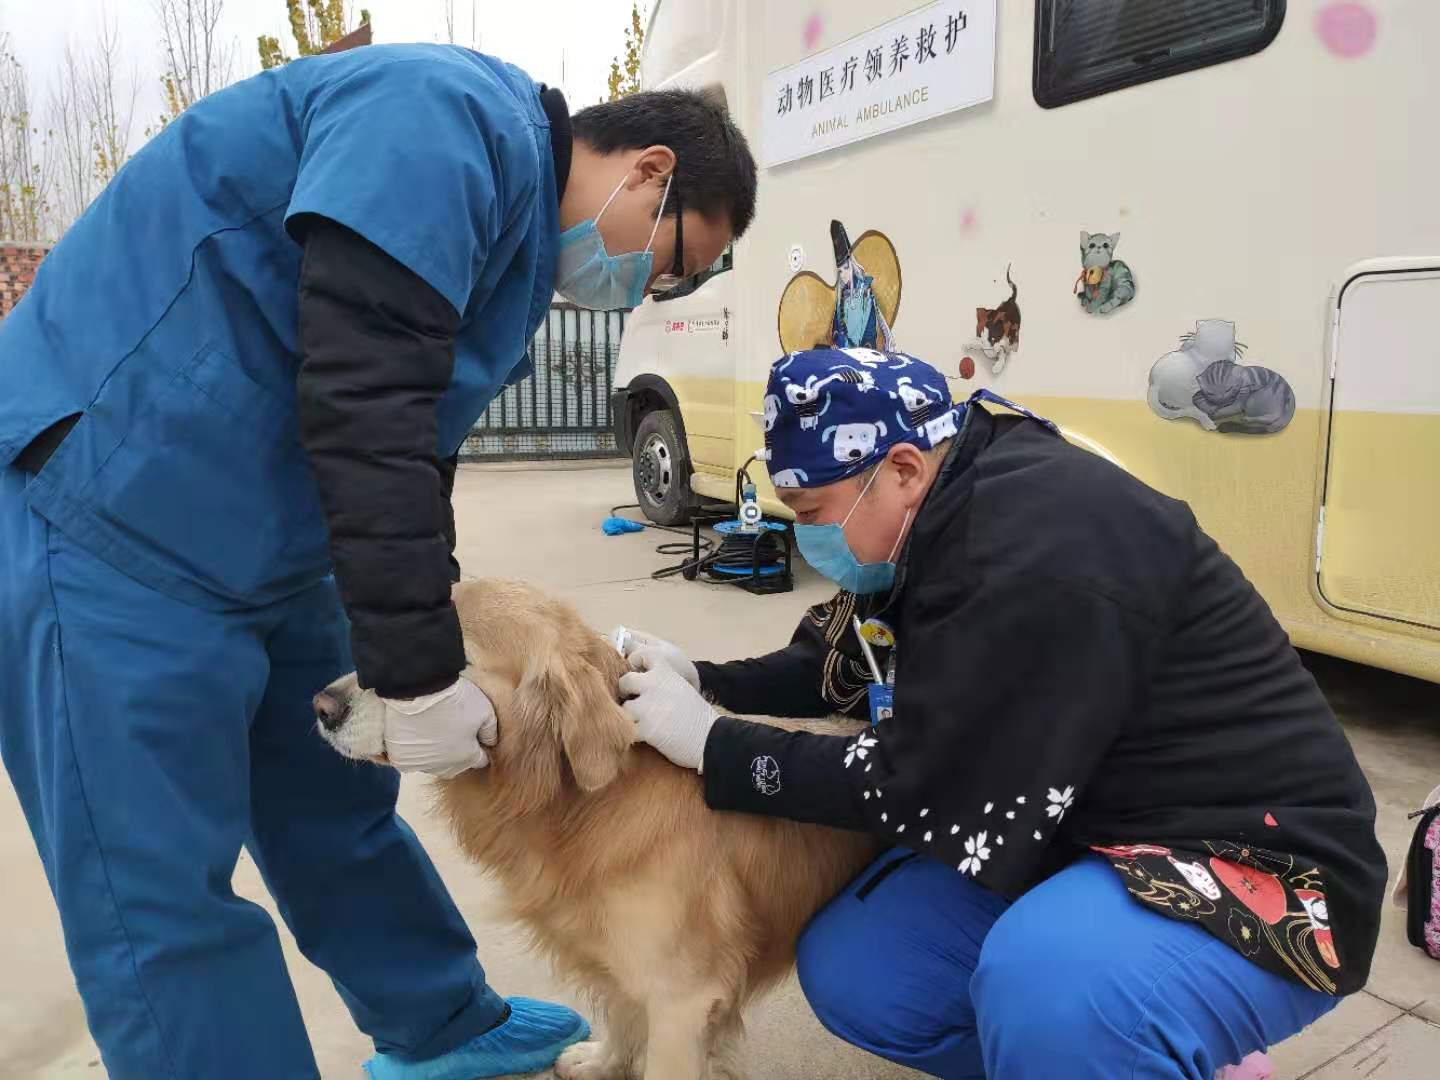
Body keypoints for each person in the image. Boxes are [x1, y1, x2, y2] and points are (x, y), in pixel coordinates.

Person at [0, 42, 754, 1080]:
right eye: (671, 262)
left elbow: (416, 455)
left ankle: (441, 1021)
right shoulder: (444, 123)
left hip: (271, 533)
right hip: (115, 508)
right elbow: (366, 395)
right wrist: (417, 667)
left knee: (335, 796)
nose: (648, 289)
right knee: (153, 891)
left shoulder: (517, 246)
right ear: (649, 171)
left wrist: (419, 641)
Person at [619, 347, 1387, 1079]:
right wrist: (702, 679)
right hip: (1087, 826)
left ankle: (1136, 1041)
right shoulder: (932, 517)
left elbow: (913, 780)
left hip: (1249, 858)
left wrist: (717, 745)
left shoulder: (1032, 545)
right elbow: (839, 667)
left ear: (904, 470)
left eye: (812, 509)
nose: (808, 536)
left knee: (1050, 983)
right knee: (861, 967)